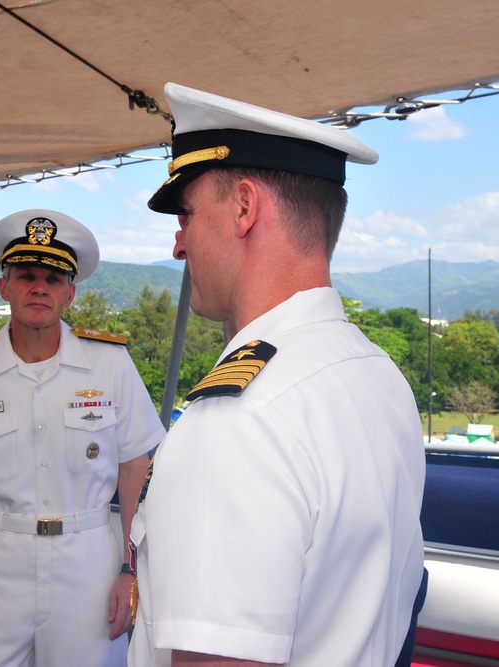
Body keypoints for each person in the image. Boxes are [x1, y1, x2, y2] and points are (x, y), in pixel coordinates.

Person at [127, 83, 426, 667]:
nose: (177, 244)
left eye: (186, 214)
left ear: (244, 207)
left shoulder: (240, 419)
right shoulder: (380, 376)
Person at [0, 209, 167, 667]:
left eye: (53, 279)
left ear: (70, 294)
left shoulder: (110, 364)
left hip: (90, 566)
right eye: (25, 276)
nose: (39, 287)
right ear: (4, 286)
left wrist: (131, 569)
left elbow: (135, 469)